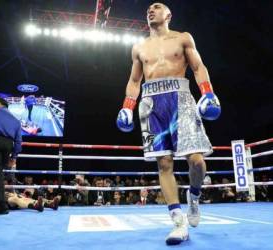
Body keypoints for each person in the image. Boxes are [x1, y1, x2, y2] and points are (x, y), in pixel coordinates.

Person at [116, 2, 221, 245]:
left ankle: (193, 195)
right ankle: (177, 220)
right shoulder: (139, 47)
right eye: (148, 9)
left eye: (156, 7)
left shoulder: (183, 38)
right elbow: (134, 81)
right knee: (164, 163)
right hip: (151, 102)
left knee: (196, 160)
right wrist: (126, 107)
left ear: (168, 15)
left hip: (180, 98)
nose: (150, 10)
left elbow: (197, 67)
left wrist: (207, 92)